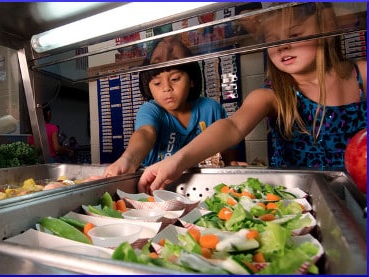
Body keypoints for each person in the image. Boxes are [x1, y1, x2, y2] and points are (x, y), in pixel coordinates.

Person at [138, 3, 367, 194]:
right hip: (303, 199)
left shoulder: (362, 75)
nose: (282, 46)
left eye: (295, 35)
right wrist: (178, 161)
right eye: (272, 40)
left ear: (326, 27)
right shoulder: (274, 94)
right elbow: (233, 126)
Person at [102, 37, 236, 177]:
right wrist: (128, 159)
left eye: (175, 79)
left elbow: (228, 150)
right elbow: (145, 133)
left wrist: (232, 165)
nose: (167, 88)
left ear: (191, 80)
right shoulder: (150, 110)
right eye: (157, 83)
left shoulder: (211, 109)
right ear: (148, 86)